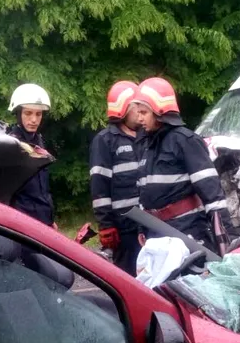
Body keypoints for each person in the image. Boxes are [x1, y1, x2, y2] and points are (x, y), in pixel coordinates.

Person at [131, 76, 230, 251]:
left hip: (187, 232)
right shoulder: (145, 144)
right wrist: (142, 228)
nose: (139, 119)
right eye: (138, 113)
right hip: (156, 234)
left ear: (160, 111)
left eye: (144, 112)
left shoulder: (185, 141)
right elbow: (143, 193)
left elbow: (212, 194)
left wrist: (227, 240)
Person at [89, 80, 144, 275]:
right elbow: (99, 186)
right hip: (124, 228)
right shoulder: (105, 140)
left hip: (149, 225)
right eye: (137, 106)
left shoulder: (147, 137)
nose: (141, 112)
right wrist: (106, 224)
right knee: (128, 279)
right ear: (124, 109)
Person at [6, 83, 56, 227]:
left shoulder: (39, 141)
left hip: (43, 219)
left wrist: (50, 218)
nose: (34, 120)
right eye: (28, 113)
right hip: (22, 222)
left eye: (38, 114)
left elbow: (42, 188)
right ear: (18, 114)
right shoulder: (11, 145)